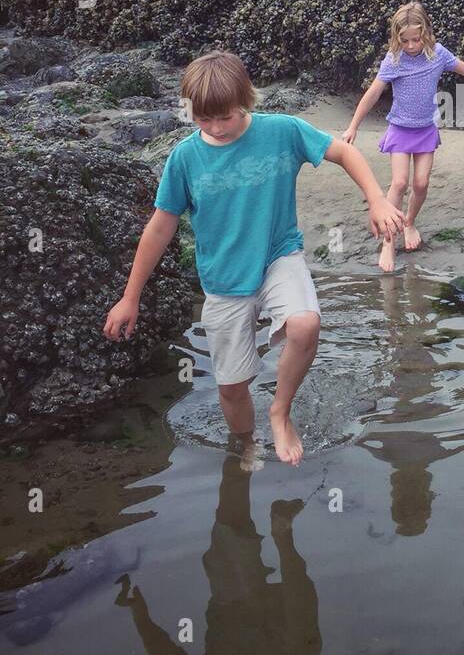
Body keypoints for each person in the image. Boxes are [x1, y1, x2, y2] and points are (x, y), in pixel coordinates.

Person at [103, 50, 405, 466]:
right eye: (203, 119)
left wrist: (375, 200)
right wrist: (130, 297)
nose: (215, 128)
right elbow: (159, 228)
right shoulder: (185, 158)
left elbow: (345, 153)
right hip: (224, 280)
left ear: (246, 99)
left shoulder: (281, 131)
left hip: (278, 256)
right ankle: (245, 444)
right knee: (231, 387)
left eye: (224, 117)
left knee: (305, 323)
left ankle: (280, 412)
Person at [340, 1, 464, 272]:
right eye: (405, 40)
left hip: (425, 129)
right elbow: (373, 93)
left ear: (426, 33)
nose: (411, 45)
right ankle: (389, 242)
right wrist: (353, 126)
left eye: (416, 39)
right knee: (399, 183)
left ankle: (409, 222)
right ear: (397, 38)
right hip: (400, 128)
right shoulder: (394, 59)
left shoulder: (437, 54)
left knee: (421, 184)